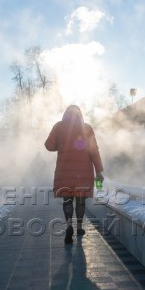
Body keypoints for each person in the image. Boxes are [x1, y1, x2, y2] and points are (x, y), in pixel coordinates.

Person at [44, 104, 104, 244]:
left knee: (67, 200)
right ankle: (79, 227)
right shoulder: (87, 128)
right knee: (80, 201)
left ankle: (69, 226)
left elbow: (49, 145)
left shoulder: (58, 127)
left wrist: (62, 144)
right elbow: (94, 151)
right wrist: (99, 170)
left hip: (64, 172)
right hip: (83, 173)